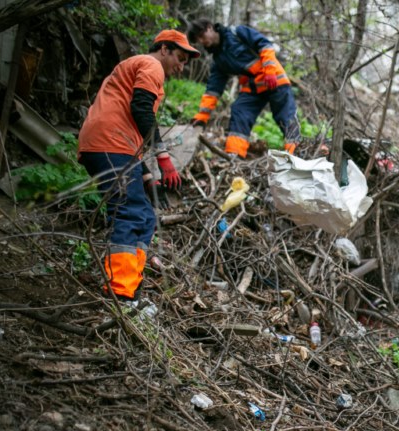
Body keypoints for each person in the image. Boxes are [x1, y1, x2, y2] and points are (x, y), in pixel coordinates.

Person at [78, 30, 200, 302]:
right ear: (164, 49)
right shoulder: (151, 64)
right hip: (109, 143)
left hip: (115, 146)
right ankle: (120, 292)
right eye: (180, 58)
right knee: (129, 212)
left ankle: (130, 285)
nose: (181, 66)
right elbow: (141, 110)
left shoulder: (141, 68)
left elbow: (134, 125)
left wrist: (146, 176)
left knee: (145, 215)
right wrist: (163, 158)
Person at [187, 18, 300, 157]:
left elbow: (265, 45)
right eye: (198, 40)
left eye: (201, 35)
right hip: (253, 87)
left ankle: (296, 151)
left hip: (274, 79)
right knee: (240, 110)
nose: (201, 41)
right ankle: (234, 155)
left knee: (285, 116)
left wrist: (270, 70)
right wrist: (203, 115)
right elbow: (213, 89)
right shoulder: (218, 60)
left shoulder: (237, 32)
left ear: (210, 27)